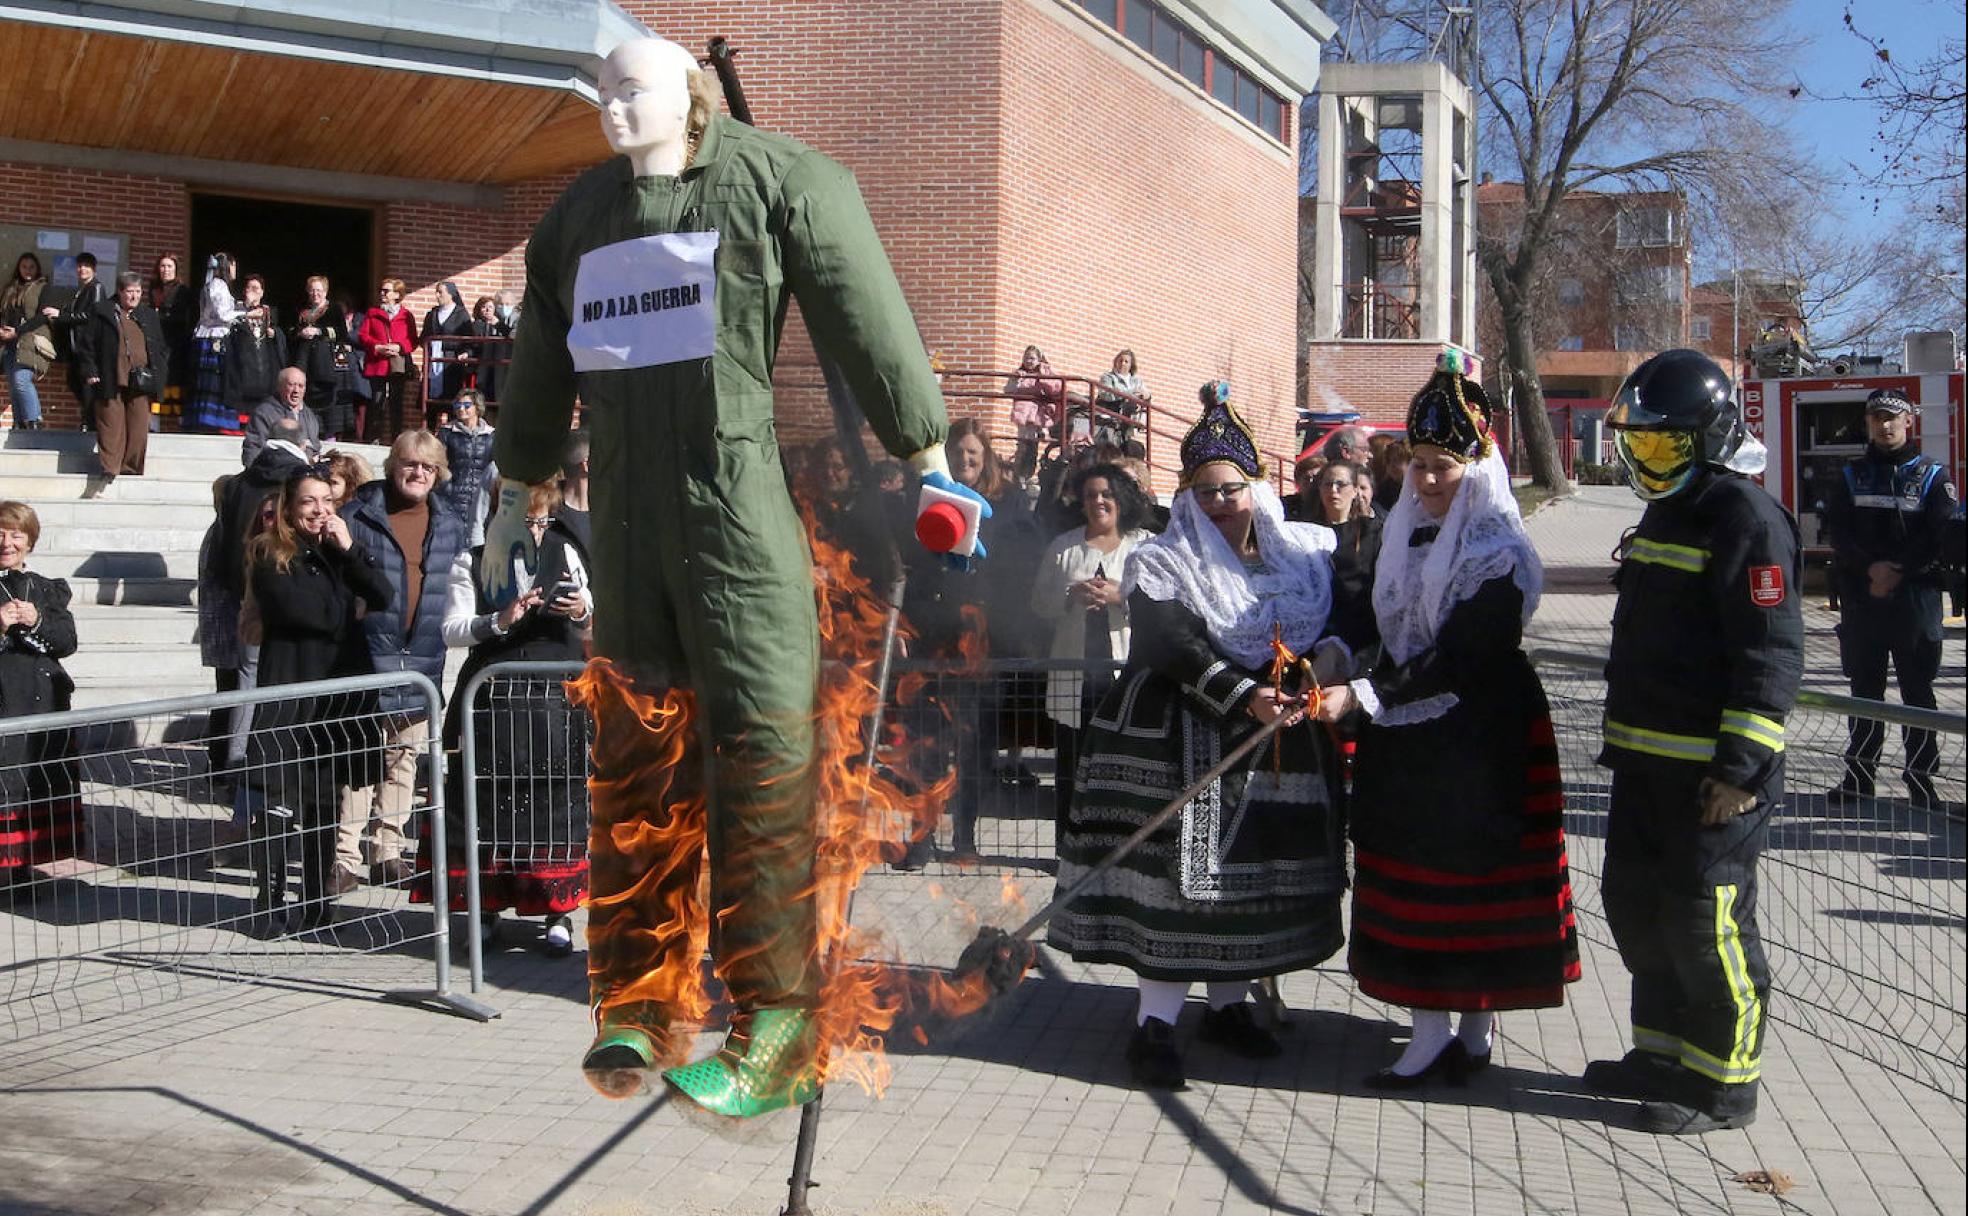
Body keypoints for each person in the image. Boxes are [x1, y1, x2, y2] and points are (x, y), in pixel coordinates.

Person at [484, 34, 972, 1118]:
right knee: (637, 765)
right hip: (624, 527)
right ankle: (637, 1000)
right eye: (601, 89)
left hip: (735, 519)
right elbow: (535, 359)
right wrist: (518, 487)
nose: (613, 106)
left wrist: (927, 459)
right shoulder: (579, 219)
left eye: (636, 88)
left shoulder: (776, 180)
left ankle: (780, 1022)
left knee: (762, 762)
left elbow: (866, 316)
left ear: (692, 96)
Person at [1049, 382, 1354, 1091]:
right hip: (1181, 734)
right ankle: (1153, 1028)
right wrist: (1243, 694)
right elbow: (1169, 641)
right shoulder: (1163, 557)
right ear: (1188, 497)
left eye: (1232, 489)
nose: (1221, 504)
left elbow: (1338, 621)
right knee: (1181, 886)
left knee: (1245, 889)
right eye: (1207, 492)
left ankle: (1226, 1007)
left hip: (1277, 740)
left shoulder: (1299, 559)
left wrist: (1326, 663)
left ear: (1256, 488)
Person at [1323, 355, 1579, 1088]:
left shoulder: (1496, 551)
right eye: (1420, 465)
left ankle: (1474, 1026)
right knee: (1414, 870)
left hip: (1479, 731)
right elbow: (1387, 625)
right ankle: (1431, 1026)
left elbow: (1465, 654)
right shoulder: (1400, 535)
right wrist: (1343, 662)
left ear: (1477, 463)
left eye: (1444, 466)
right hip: (1410, 730)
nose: (1429, 481)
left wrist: (1367, 697)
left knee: (1475, 872)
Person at [1591, 348, 1803, 1135]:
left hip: (1713, 781)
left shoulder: (1745, 519)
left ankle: (1722, 1085)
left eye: (1663, 445)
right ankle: (1661, 1056)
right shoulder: (1667, 511)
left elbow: (1771, 654)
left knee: (1705, 925)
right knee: (1639, 911)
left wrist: (1742, 770)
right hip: (1645, 766)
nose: (1647, 460)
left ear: (1708, 438)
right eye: (1637, 444)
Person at [430, 480, 592, 955]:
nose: (538, 531)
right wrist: (499, 619)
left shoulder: (566, 552)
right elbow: (452, 631)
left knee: (557, 803)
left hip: (555, 704)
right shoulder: (473, 559)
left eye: (544, 521)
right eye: (527, 521)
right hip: (493, 702)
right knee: (487, 807)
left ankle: (558, 912)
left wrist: (582, 607)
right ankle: (483, 911)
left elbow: (592, 608)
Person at [245, 472, 392, 933]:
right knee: (278, 800)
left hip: (337, 698)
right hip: (291, 690)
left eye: (327, 501)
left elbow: (383, 595)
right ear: (289, 507)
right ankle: (270, 900)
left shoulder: (338, 551)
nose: (319, 511)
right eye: (308, 502)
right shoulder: (270, 552)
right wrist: (349, 606)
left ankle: (317, 902)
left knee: (325, 803)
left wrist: (349, 550)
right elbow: (308, 614)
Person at [338, 431, 467, 892]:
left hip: (422, 657)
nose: (418, 473)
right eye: (410, 464)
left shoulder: (450, 523)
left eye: (428, 467)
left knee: (404, 759)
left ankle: (388, 850)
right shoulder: (357, 514)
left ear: (438, 475)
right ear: (393, 466)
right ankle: (345, 856)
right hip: (368, 655)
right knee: (360, 762)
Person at [1820, 388, 1955, 809]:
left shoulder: (1934, 475)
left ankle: (1920, 782)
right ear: (1867, 424)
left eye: (1893, 417)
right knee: (1864, 692)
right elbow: (1836, 531)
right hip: (1863, 598)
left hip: (1915, 598)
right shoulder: (1850, 475)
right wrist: (1869, 570)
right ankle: (1859, 778)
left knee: (1918, 694)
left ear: (1909, 422)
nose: (1885, 424)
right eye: (1877, 418)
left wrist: (1898, 571)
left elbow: (1940, 536)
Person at [1029, 463, 1154, 837]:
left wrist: (1123, 597)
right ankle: (1067, 846)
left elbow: (1164, 604)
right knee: (1071, 764)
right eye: (1090, 495)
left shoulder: (1145, 545)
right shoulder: (1062, 548)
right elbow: (1038, 603)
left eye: (1106, 494)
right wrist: (1070, 596)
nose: (1098, 501)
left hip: (1124, 677)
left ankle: (1119, 846)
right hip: (1074, 676)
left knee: (1123, 765)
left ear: (1120, 499)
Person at [0, 502, 80, 893]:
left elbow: (67, 642)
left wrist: (37, 621)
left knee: (34, 785)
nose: (7, 542)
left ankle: (21, 868)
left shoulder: (47, 588)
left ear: (30, 541)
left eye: (16, 534)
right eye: (0, 532)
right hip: (4, 702)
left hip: (42, 701)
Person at [74, 272, 167, 484]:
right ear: (120, 291)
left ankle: (131, 468)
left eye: (137, 291)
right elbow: (86, 344)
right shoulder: (102, 311)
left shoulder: (148, 315)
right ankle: (110, 468)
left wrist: (159, 374)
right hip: (110, 376)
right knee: (110, 423)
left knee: (139, 424)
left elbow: (160, 348)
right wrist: (90, 371)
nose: (134, 296)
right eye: (129, 292)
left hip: (141, 379)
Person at [1304, 460, 1383, 651]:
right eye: (1327, 484)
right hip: (1316, 627)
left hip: (1359, 627)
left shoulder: (1372, 531)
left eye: (1341, 484)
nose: (1333, 490)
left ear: (1355, 490)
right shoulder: (1306, 532)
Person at [48, 251, 111, 431]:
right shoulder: (82, 290)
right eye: (80, 266)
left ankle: (91, 423)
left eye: (86, 266)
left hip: (88, 346)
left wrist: (61, 316)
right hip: (77, 347)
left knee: (87, 387)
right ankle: (89, 420)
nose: (82, 269)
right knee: (74, 381)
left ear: (94, 269)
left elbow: (92, 315)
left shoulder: (96, 288)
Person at [291, 275, 355, 441]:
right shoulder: (302, 310)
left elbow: (342, 334)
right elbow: (291, 330)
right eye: (312, 290)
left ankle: (328, 437)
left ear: (325, 292)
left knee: (327, 401)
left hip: (325, 363)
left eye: (318, 290)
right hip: (305, 362)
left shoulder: (333, 310)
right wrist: (300, 333)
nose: (315, 294)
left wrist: (319, 332)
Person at [221, 275, 287, 430]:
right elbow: (228, 331)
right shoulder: (236, 311)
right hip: (243, 367)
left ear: (262, 292)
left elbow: (280, 336)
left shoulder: (269, 312)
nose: (252, 292)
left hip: (264, 367)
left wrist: (275, 333)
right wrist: (245, 311)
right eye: (249, 288)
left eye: (256, 288)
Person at [186, 253, 242, 433]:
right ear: (226, 266)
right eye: (233, 265)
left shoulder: (218, 286)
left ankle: (213, 422)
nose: (235, 270)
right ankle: (209, 422)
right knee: (213, 383)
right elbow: (223, 314)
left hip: (212, 339)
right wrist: (246, 314)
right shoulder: (218, 285)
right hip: (212, 340)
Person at [359, 279, 418, 443]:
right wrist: (377, 347)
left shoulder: (406, 316)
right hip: (377, 364)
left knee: (396, 403)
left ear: (397, 295)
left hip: (397, 365)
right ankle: (372, 438)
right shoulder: (372, 313)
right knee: (376, 401)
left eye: (386, 291)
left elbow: (413, 340)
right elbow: (363, 335)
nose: (382, 294)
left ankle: (396, 440)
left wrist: (399, 347)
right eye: (381, 290)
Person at [435, 389, 497, 544]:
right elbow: (438, 463)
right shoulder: (447, 433)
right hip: (453, 497)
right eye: (458, 404)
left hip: (482, 499)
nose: (461, 408)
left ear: (477, 407)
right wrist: (447, 488)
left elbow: (495, 468)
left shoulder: (492, 435)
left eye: (467, 405)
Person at [1, 253, 52, 430]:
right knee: (14, 384)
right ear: (18, 268)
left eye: (31, 267)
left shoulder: (43, 287)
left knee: (21, 378)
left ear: (37, 268)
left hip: (30, 340)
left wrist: (17, 331)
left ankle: (34, 420)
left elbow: (42, 317)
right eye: (24, 267)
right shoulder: (11, 288)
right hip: (9, 343)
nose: (27, 270)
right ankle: (19, 423)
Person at [1006, 345, 1064, 485]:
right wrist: (1016, 379)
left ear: (1039, 360)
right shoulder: (1019, 374)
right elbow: (1008, 390)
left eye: (1032, 358)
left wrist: (1044, 376)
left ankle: (1028, 474)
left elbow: (1055, 388)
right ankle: (1019, 475)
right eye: (1026, 358)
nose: (1029, 361)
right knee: (1023, 445)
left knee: (1032, 446)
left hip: (1038, 415)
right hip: (1024, 416)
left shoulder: (1045, 372)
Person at [242, 367, 322, 465]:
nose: (296, 390)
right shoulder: (264, 413)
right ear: (280, 387)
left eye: (301, 386)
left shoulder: (310, 416)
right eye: (291, 385)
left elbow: (315, 448)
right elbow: (253, 448)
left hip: (303, 474)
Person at [149, 253, 192, 430]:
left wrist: (159, 315)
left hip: (176, 345)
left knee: (175, 383)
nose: (166, 270)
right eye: (163, 266)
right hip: (157, 344)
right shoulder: (154, 289)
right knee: (156, 382)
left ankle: (180, 424)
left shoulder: (182, 291)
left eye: (169, 267)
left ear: (175, 269)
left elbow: (183, 317)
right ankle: (154, 424)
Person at [422, 282, 471, 425]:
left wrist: (466, 353)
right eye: (436, 292)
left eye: (440, 292)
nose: (437, 295)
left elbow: (469, 340)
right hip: (433, 363)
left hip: (451, 364)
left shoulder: (461, 315)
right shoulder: (432, 314)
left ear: (451, 294)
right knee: (431, 404)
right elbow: (424, 337)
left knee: (451, 403)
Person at [1095, 349, 1151, 444]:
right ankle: (1129, 426)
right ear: (1116, 362)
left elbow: (1145, 393)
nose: (1122, 363)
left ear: (1131, 365)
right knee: (1132, 400)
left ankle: (1133, 425)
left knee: (1138, 401)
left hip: (1132, 411)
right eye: (1120, 360)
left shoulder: (1137, 380)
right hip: (1112, 410)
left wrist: (1147, 395)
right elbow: (1105, 395)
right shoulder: (1107, 377)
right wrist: (1129, 394)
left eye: (1126, 361)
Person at [466, 294, 510, 403]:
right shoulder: (475, 325)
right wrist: (467, 353)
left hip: (497, 365)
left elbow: (509, 335)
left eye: (490, 307)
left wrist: (498, 324)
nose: (487, 310)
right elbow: (471, 345)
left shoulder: (501, 322)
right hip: (481, 365)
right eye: (483, 307)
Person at [1283, 448, 1326, 522]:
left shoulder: (1328, 507)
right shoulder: (1284, 505)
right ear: (1298, 482)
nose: (1311, 481)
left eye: (1316, 478)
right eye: (1306, 478)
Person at [1372, 440, 1412, 514]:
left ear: (1409, 462)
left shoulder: (1419, 488)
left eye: (1396, 460)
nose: (1392, 465)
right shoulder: (1383, 490)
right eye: (1388, 461)